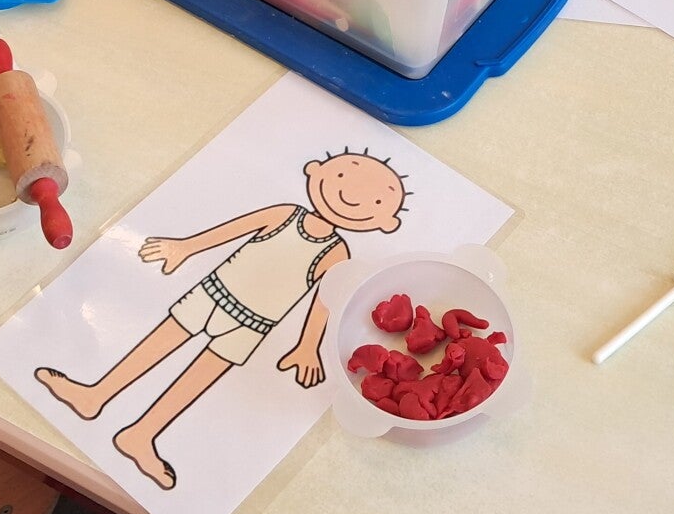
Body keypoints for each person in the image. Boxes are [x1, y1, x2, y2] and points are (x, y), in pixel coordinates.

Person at [34, 151, 406, 490]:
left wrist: (307, 346)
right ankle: (95, 394)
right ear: (315, 170)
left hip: (253, 323)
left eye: (377, 201)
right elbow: (235, 228)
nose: (353, 194)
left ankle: (142, 434)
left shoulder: (336, 253)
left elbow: (323, 301)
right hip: (214, 292)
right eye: (343, 175)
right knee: (158, 344)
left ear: (386, 221)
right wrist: (186, 246)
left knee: (200, 377)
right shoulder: (285, 215)